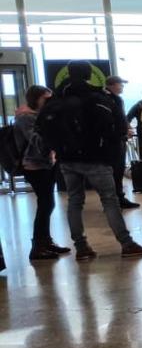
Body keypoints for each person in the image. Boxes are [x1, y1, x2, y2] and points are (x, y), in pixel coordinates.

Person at [36, 62, 142, 261]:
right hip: (96, 158)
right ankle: (126, 243)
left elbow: (41, 128)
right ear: (89, 74)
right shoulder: (98, 98)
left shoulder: (56, 99)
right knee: (109, 200)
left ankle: (81, 247)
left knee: (74, 201)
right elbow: (117, 127)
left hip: (66, 159)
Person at [14, 85, 70, 261]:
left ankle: (45, 241)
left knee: (48, 203)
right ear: (36, 98)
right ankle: (38, 245)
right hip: (35, 166)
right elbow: (37, 141)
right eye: (46, 99)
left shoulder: (38, 116)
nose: (49, 102)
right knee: (45, 204)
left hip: (45, 164)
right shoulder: (26, 118)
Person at [104, 75, 138, 209]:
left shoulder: (114, 99)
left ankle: (117, 197)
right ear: (112, 85)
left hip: (117, 139)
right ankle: (116, 199)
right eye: (120, 84)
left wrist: (126, 128)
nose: (122, 87)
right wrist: (123, 131)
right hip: (114, 141)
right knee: (116, 170)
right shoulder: (111, 100)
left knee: (117, 170)